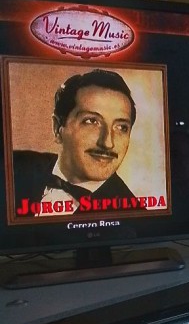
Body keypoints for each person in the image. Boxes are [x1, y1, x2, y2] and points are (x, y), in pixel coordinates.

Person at [13, 68, 137, 215]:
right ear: (58, 127)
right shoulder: (13, 166)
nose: (108, 143)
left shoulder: (134, 216)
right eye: (91, 121)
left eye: (121, 127)